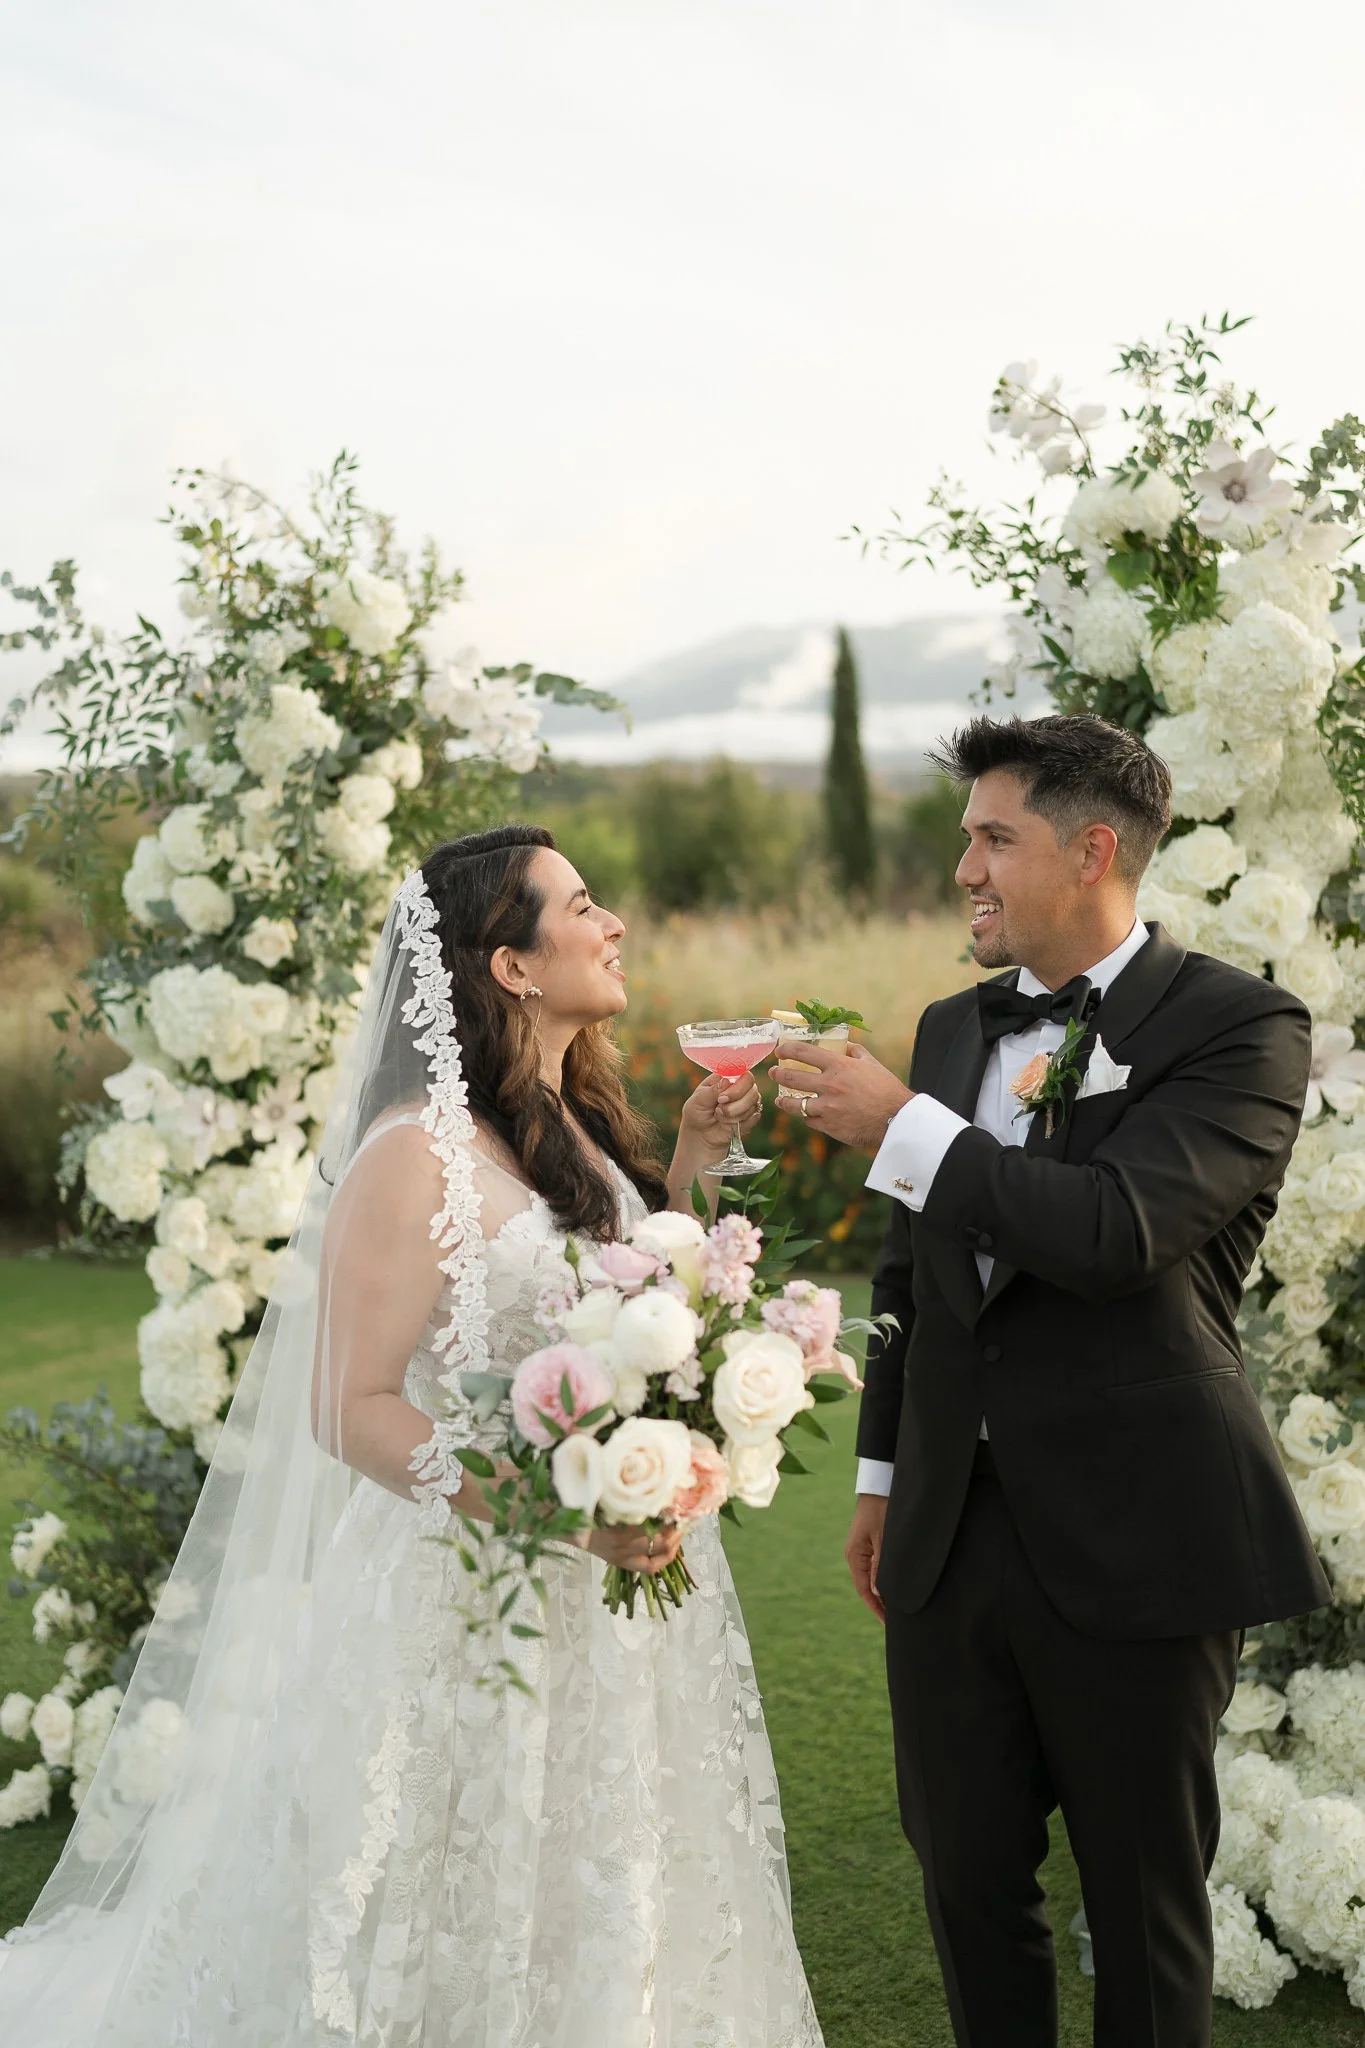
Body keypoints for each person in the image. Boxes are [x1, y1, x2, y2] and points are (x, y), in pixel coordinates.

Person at [0, 825, 824, 2048]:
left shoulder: (573, 1122)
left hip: (625, 1582)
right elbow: (353, 1404)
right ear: (512, 967)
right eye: (584, 906)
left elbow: (659, 1313)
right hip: (472, 1592)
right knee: (452, 1884)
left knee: (615, 1865)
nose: (615, 925)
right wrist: (560, 1512)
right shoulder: (409, 1153)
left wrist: (695, 1164)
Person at [771, 714, 1331, 2048]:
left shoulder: (1243, 1028)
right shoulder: (950, 1028)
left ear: (1089, 852)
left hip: (1144, 1534)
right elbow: (915, 1274)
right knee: (967, 1888)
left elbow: (1111, 1234)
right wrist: (881, 1475)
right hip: (949, 1536)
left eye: (991, 837)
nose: (962, 867)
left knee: (1142, 1911)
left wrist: (901, 1123)